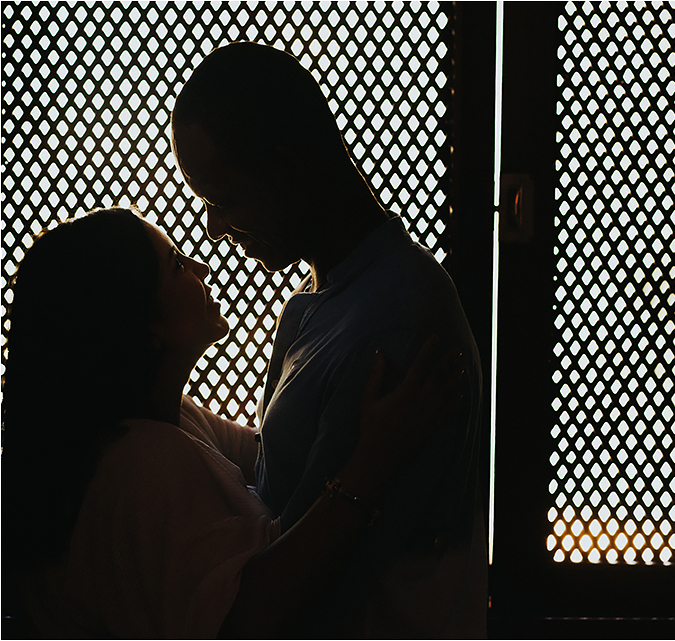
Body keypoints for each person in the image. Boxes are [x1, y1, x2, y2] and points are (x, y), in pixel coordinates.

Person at [2, 207, 462, 638]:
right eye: (177, 265)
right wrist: (373, 462)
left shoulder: (170, 420)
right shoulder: (142, 462)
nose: (200, 269)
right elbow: (250, 614)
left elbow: (270, 452)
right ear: (145, 322)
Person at [170, 42, 487, 637]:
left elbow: (303, 594)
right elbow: (278, 478)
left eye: (225, 198)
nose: (211, 229)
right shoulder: (337, 299)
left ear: (288, 168)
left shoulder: (391, 331)